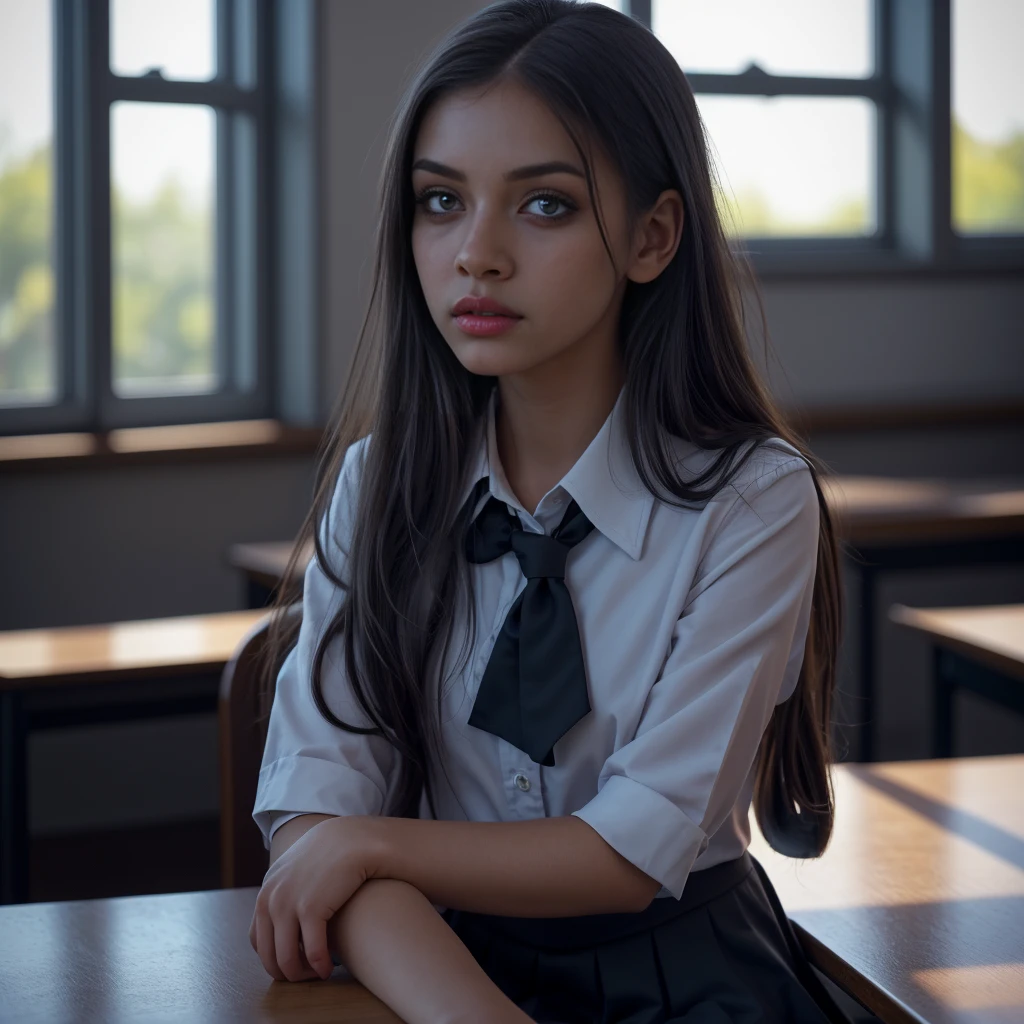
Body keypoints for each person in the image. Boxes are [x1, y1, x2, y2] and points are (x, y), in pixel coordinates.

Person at [249, 2, 851, 1021]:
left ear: (653, 235)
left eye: (543, 207)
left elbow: (628, 850)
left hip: (684, 972)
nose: (475, 254)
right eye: (440, 201)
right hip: (431, 962)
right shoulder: (380, 483)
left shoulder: (752, 499)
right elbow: (316, 822)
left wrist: (371, 844)